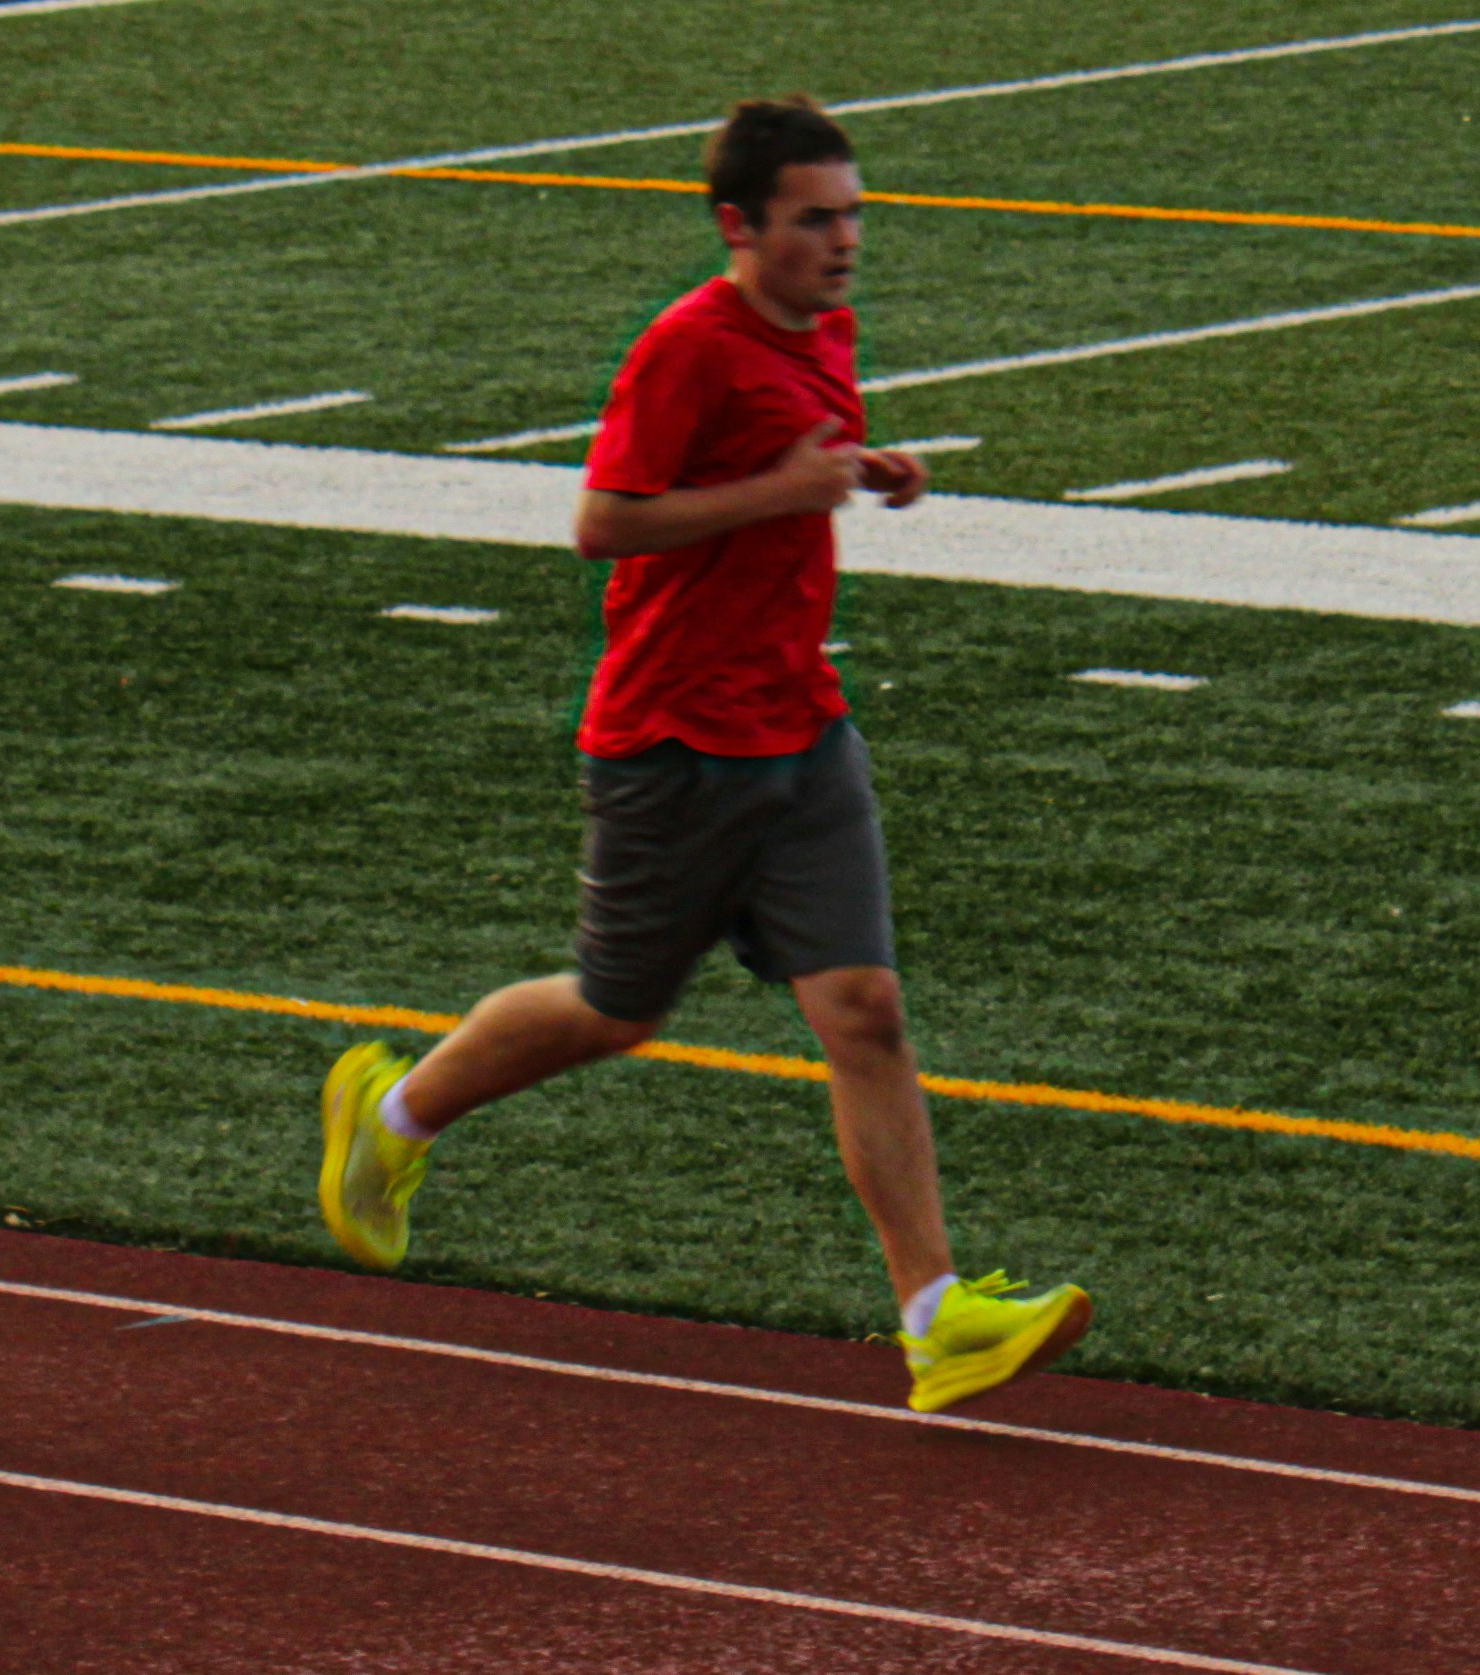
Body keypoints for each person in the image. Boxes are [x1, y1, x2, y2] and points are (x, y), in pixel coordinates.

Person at [315, 96, 1094, 1415]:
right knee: (618, 1013)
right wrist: (782, 495)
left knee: (866, 1012)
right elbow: (604, 522)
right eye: (814, 220)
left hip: (802, 726)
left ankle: (935, 1319)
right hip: (675, 743)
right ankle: (389, 1120)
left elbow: (796, 459)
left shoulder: (822, 329)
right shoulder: (685, 349)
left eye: (852, 214)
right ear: (742, 227)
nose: (844, 241)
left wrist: (867, 471)